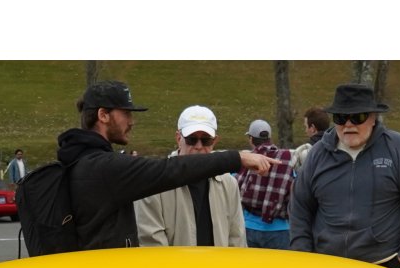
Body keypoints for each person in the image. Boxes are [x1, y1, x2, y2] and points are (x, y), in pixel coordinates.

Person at [54, 80, 270, 250]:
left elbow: (236, 240)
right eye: (126, 113)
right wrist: (237, 158)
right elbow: (171, 170)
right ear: (103, 115)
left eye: (206, 140)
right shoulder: (104, 167)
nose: (131, 121)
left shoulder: (81, 160)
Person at [289, 83, 400, 268]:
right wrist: (303, 256)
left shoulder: (399, 149)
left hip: (385, 265)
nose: (348, 124)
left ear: (373, 118)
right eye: (341, 118)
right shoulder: (318, 154)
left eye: (357, 117)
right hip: (326, 267)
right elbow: (299, 207)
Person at [135, 106, 244, 248]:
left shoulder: (228, 183)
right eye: (192, 140)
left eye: (206, 141)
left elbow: (237, 238)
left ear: (215, 141)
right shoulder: (153, 182)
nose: (198, 146)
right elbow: (150, 243)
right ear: (178, 138)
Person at [239, 119, 297, 249]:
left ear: (251, 139)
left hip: (249, 228)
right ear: (269, 138)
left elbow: (237, 187)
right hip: (280, 230)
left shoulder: (245, 161)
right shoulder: (287, 158)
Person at [291, 106, 330, 172]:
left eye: (306, 127)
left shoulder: (304, 151)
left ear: (312, 128)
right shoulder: (338, 147)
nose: (305, 131)